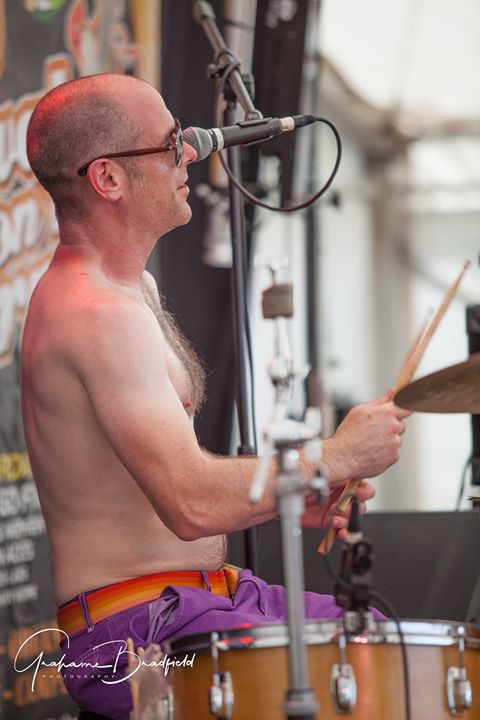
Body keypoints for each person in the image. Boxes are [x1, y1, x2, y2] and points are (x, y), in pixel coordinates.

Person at [22, 73, 411, 719]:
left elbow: (173, 485)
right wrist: (335, 456)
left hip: (195, 603)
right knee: (370, 669)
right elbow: (190, 503)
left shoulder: (131, 292)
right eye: (170, 141)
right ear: (109, 179)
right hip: (137, 632)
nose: (191, 152)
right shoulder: (96, 315)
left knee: (385, 645)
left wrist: (287, 494)